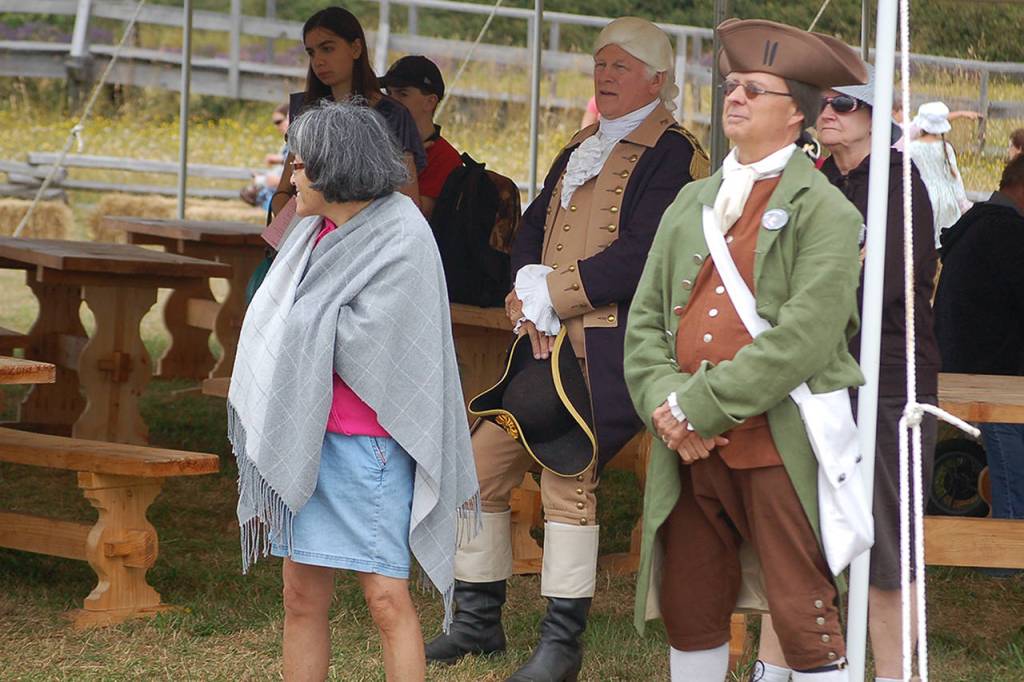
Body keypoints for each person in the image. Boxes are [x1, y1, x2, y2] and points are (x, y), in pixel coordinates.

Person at [422, 16, 708, 682]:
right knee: (479, 469)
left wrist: (560, 293)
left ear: (657, 79)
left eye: (619, 66)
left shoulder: (675, 154)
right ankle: (476, 622)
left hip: (610, 352)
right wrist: (527, 287)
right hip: (541, 346)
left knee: (566, 479)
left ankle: (561, 644)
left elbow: (646, 253)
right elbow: (532, 222)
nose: (602, 76)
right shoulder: (581, 142)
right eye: (599, 65)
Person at [625, 18, 869, 681]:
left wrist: (697, 405)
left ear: (797, 113)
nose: (734, 97)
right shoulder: (691, 202)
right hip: (689, 443)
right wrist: (665, 408)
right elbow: (645, 321)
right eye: (732, 85)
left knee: (804, 611)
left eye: (755, 90)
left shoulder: (828, 213)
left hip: (775, 435)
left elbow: (807, 337)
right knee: (691, 603)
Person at [227, 101, 479, 682]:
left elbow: (386, 341)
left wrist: (305, 320)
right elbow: (278, 308)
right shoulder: (308, 227)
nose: (292, 173)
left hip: (372, 449)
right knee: (299, 595)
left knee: (386, 601)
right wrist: (302, 320)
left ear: (334, 167)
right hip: (305, 435)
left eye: (301, 162)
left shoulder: (403, 232)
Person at [756, 64, 940, 682]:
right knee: (792, 529)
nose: (827, 112)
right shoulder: (806, 180)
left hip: (887, 381)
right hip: (811, 370)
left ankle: (893, 674)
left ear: (877, 114)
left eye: (845, 104)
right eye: (820, 102)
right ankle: (774, 669)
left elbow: (871, 287)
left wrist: (811, 283)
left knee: (887, 544)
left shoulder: (902, 184)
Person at [935, 155, 1024, 530]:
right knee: (1009, 445)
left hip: (973, 359)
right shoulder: (1004, 232)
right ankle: (1007, 541)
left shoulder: (984, 224)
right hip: (991, 371)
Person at [270, 6, 426, 218]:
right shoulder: (306, 111)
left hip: (370, 236)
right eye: (311, 52)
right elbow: (284, 191)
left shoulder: (392, 115)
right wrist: (291, 230)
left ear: (355, 48)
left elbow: (407, 201)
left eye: (327, 48)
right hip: (308, 234)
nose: (318, 61)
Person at [381, 55, 463, 218]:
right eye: (389, 93)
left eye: (402, 94)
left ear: (430, 102)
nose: (390, 101)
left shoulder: (444, 158)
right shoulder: (381, 145)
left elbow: (413, 217)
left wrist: (402, 157)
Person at [906, 101, 971, 248]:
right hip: (945, 200)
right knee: (944, 243)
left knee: (921, 241)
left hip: (921, 198)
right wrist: (963, 204)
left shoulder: (911, 148)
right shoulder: (946, 148)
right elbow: (955, 179)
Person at [240, 103, 290, 208]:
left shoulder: (295, 142)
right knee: (246, 192)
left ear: (289, 117)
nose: (277, 126)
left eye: (279, 122)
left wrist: (279, 160)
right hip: (280, 186)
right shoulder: (286, 143)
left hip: (285, 189)